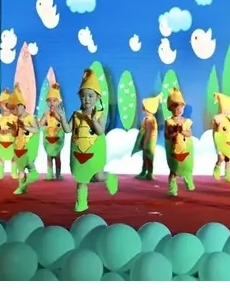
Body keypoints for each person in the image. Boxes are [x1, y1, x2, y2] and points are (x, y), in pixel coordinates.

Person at [57, 68, 118, 212]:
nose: (87, 99)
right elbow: (68, 129)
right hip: (79, 152)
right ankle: (81, 203)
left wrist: (93, 120)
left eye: (91, 96)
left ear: (97, 97)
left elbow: (100, 131)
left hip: (93, 153)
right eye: (84, 96)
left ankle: (109, 178)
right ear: (80, 97)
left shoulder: (100, 114)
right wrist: (62, 118)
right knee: (81, 179)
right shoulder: (76, 114)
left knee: (98, 176)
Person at [6, 84, 40, 194]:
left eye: (13, 108)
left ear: (21, 106)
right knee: (20, 168)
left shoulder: (30, 117)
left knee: (28, 163)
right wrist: (13, 130)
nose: (12, 112)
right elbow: (16, 134)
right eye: (10, 109)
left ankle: (32, 173)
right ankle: (21, 187)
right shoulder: (16, 119)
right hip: (19, 146)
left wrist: (25, 127)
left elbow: (36, 130)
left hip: (28, 146)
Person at [164, 88, 195, 196]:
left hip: (185, 148)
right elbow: (166, 136)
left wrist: (182, 131)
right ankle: (172, 189)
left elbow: (190, 133)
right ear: (170, 108)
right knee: (174, 170)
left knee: (187, 166)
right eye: (175, 106)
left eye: (181, 106)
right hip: (174, 149)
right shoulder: (169, 122)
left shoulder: (187, 121)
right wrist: (174, 132)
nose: (178, 109)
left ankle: (188, 181)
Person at [132, 93, 162, 180]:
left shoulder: (149, 120)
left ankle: (149, 173)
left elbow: (148, 132)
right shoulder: (150, 118)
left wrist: (145, 142)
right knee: (146, 157)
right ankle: (144, 171)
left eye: (143, 107)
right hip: (149, 141)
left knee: (148, 157)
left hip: (149, 142)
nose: (142, 109)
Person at [39, 83, 66, 181]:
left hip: (57, 137)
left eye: (54, 101)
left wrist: (56, 114)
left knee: (57, 156)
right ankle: (49, 173)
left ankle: (58, 173)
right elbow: (41, 124)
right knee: (49, 156)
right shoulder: (46, 113)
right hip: (48, 137)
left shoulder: (60, 112)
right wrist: (45, 116)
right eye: (49, 101)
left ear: (58, 102)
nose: (52, 103)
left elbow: (62, 122)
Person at [212, 92, 230, 183]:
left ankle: (228, 175)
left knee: (228, 158)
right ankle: (216, 169)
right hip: (220, 139)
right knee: (221, 157)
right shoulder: (218, 117)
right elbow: (215, 130)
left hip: (229, 139)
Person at [0, 88, 18, 180]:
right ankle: (0, 173)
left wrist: (12, 130)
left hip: (12, 140)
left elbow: (17, 129)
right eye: (4, 103)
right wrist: (0, 131)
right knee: (1, 157)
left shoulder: (14, 117)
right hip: (2, 140)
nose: (7, 106)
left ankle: (14, 172)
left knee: (14, 156)